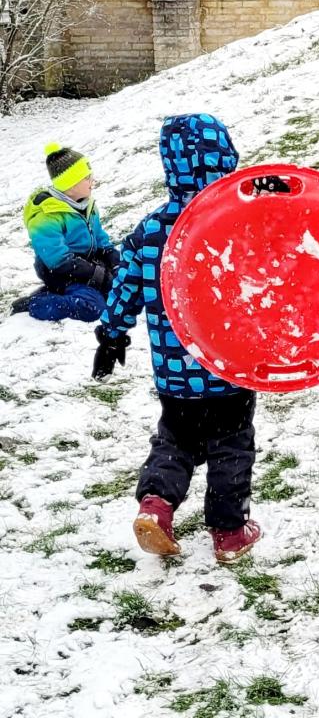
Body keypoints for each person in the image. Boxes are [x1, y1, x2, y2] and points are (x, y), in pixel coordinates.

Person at [92, 114, 262, 565]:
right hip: (228, 367)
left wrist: (111, 335)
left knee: (176, 441)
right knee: (231, 445)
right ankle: (230, 531)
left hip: (174, 373)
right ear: (225, 159)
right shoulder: (241, 223)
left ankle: (156, 507)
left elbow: (125, 288)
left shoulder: (151, 231)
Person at [13, 143, 120, 321]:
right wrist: (97, 274)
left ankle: (68, 292)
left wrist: (114, 260)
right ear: (70, 185)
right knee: (93, 307)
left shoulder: (86, 204)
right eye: (87, 178)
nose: (92, 181)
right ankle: (37, 303)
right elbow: (58, 260)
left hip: (87, 263)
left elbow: (100, 239)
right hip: (60, 272)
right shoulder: (46, 215)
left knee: (121, 289)